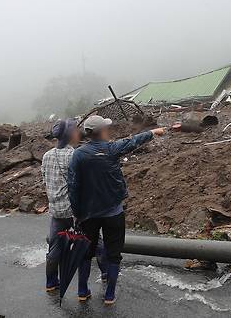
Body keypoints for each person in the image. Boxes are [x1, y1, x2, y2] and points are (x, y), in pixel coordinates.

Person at [68, 115, 165, 305]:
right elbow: (133, 141)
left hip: (88, 215)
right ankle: (109, 295)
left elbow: (73, 186)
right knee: (113, 254)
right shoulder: (112, 149)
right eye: (106, 127)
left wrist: (77, 213)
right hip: (113, 213)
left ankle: (82, 291)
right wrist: (152, 133)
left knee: (85, 253)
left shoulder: (78, 155)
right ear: (101, 131)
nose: (108, 130)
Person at [41, 118, 107, 293]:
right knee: (95, 243)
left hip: (56, 211)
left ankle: (51, 282)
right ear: (70, 135)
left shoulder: (47, 156)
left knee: (54, 246)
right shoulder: (74, 155)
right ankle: (106, 274)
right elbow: (82, 184)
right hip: (74, 211)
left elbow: (45, 181)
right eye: (75, 130)